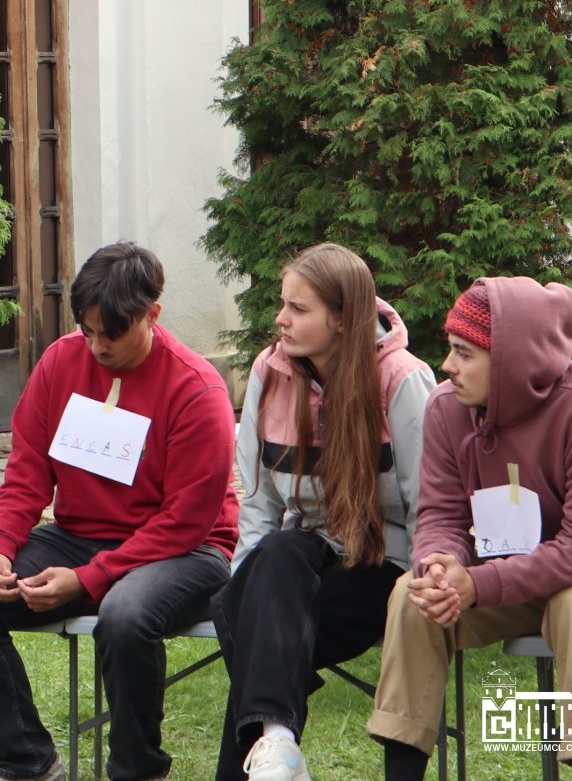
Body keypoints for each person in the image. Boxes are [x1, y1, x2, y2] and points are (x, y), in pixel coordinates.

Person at [0, 241, 238, 781]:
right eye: (87, 329)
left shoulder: (196, 390)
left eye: (111, 333)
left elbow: (185, 521)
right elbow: (28, 469)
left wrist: (89, 578)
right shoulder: (61, 361)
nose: (97, 346)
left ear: (152, 315)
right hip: (78, 536)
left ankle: (137, 771)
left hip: (187, 551)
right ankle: (26, 759)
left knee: (126, 614)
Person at [367, 277, 572, 781]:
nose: (447, 366)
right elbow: (440, 514)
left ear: (510, 361)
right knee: (413, 597)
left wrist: (478, 584)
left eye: (464, 353)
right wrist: (440, 564)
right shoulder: (445, 408)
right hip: (500, 578)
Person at [211, 244, 434, 781]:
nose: (280, 319)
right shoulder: (270, 372)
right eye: (282, 304)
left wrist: (425, 587)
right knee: (269, 563)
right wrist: (246, 587)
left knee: (253, 628)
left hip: (387, 565)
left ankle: (273, 745)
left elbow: (429, 506)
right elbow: (260, 503)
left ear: (341, 319)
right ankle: (279, 742)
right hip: (302, 556)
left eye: (298, 308)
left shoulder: (402, 380)